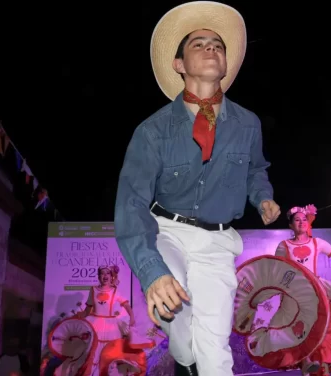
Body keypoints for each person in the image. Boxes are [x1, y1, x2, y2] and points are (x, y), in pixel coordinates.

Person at [114, 2, 280, 375]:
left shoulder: (248, 124)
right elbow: (131, 203)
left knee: (214, 341)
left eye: (218, 45)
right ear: (179, 64)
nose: (211, 49)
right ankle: (182, 352)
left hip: (217, 242)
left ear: (226, 62)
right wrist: (151, 270)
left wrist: (263, 196)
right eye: (198, 44)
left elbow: (256, 169)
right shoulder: (152, 131)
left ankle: (191, 358)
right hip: (166, 232)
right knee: (175, 306)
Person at [274, 205, 331, 375]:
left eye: (304, 219)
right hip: (293, 292)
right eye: (297, 220)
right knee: (295, 326)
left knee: (317, 327)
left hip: (314, 288)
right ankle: (306, 361)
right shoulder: (284, 245)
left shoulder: (317, 243)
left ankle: (313, 362)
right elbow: (278, 270)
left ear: (308, 224)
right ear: (291, 226)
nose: (301, 222)